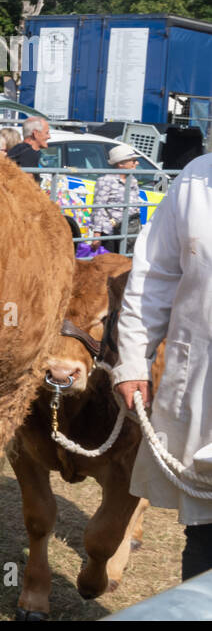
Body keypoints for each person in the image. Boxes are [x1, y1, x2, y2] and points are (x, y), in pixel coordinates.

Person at [113, 152, 212, 581]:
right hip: (203, 385)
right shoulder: (196, 179)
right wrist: (134, 359)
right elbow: (155, 275)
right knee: (206, 530)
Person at [88, 143, 142, 253]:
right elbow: (99, 208)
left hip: (130, 230)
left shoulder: (133, 180)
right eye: (133, 160)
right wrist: (97, 235)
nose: (136, 163)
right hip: (111, 231)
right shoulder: (105, 181)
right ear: (121, 164)